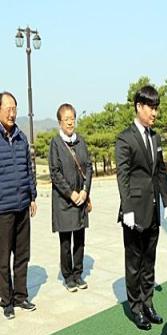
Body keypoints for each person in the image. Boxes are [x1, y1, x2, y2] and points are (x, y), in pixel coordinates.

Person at [115, 85, 167, 331]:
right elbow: (123, 176)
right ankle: (136, 307)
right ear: (139, 106)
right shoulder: (125, 138)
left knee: (149, 260)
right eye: (151, 107)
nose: (155, 113)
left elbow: (160, 172)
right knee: (134, 262)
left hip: (153, 210)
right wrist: (127, 208)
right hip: (134, 212)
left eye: (157, 107)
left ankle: (148, 302)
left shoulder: (155, 137)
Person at [0, 91, 37, 320]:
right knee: (3, 258)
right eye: (8, 109)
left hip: (23, 205)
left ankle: (21, 295)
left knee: (22, 254)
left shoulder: (22, 138)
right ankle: (6, 300)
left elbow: (29, 170)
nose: (12, 113)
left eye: (15, 109)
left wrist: (32, 195)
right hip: (3, 209)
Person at [48, 103, 93, 292]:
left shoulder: (80, 141)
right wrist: (71, 193)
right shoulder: (56, 143)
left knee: (80, 239)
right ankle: (68, 276)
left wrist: (84, 191)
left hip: (81, 198)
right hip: (64, 200)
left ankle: (78, 274)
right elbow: (55, 172)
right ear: (60, 122)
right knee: (66, 241)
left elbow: (89, 167)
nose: (70, 122)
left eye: (72, 118)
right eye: (66, 119)